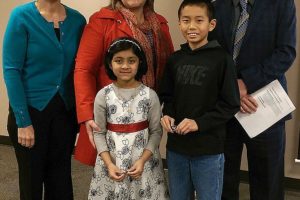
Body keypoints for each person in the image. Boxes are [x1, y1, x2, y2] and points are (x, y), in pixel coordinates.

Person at [211, 0, 296, 199]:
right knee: (223, 180)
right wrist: (231, 88)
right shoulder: (215, 6)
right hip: (224, 106)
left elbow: (286, 52)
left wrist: (246, 82)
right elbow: (209, 53)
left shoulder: (282, 4)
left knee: (268, 182)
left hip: (264, 106)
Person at [2, 0, 86, 199]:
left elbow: (81, 68)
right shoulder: (21, 16)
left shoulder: (77, 20)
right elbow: (11, 71)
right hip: (30, 112)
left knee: (60, 180)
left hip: (64, 112)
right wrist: (23, 122)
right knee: (31, 181)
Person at [74, 0, 173, 166]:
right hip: (114, 117)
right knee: (114, 174)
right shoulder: (102, 20)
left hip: (146, 113)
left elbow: (169, 69)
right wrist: (87, 113)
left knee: (145, 173)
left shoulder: (160, 24)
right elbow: (84, 70)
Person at [159, 0, 240, 199]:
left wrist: (199, 123)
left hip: (208, 150)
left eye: (199, 20)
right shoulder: (174, 59)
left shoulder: (222, 59)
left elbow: (231, 104)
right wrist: (167, 115)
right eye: (186, 20)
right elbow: (167, 97)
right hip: (176, 148)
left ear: (211, 25)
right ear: (179, 24)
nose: (192, 26)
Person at [88, 37, 169, 199]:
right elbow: (99, 133)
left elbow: (156, 132)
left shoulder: (150, 95)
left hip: (143, 162)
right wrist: (109, 164)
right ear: (110, 64)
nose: (125, 66)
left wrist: (143, 160)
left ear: (139, 63)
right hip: (112, 161)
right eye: (119, 60)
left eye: (131, 61)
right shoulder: (103, 95)